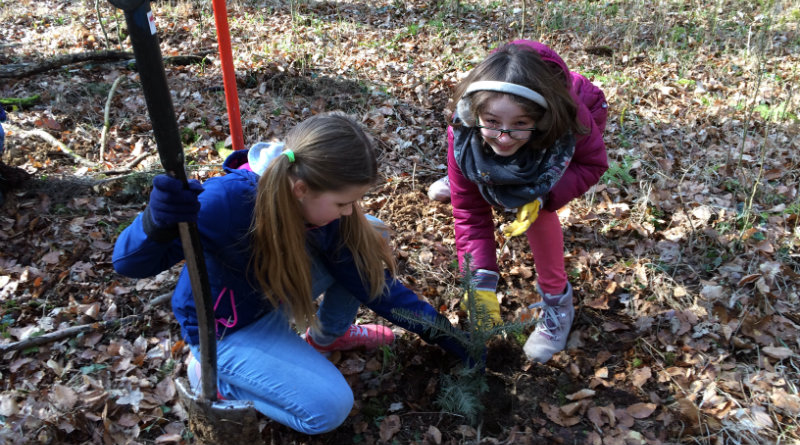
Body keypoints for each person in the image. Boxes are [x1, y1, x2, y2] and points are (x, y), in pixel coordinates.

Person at [113, 113, 469, 435]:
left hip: (272, 296)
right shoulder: (223, 206)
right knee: (329, 409)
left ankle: (327, 337)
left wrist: (446, 336)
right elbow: (129, 264)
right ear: (301, 189)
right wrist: (155, 222)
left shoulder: (317, 208)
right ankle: (219, 377)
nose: (348, 212)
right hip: (226, 330)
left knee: (368, 236)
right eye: (343, 203)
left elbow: (373, 283)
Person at [431, 40, 608, 363]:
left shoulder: (568, 123)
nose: (503, 136)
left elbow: (592, 164)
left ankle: (558, 304)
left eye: (519, 125)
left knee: (538, 212)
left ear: (537, 120)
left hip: (564, 131)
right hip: (497, 143)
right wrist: (479, 282)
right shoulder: (464, 129)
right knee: (469, 188)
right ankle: (475, 177)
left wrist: (544, 196)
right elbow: (469, 213)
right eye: (493, 122)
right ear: (474, 113)